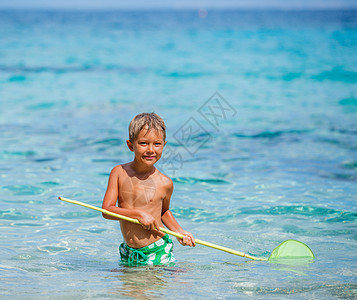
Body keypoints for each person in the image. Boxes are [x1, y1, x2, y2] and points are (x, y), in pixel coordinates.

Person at [102, 112, 195, 266]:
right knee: (128, 290)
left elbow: (164, 212)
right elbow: (106, 211)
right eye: (144, 143)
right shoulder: (118, 172)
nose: (151, 149)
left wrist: (179, 231)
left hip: (157, 250)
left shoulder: (165, 182)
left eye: (157, 144)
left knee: (156, 289)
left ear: (164, 145)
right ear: (130, 145)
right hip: (129, 251)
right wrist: (138, 214)